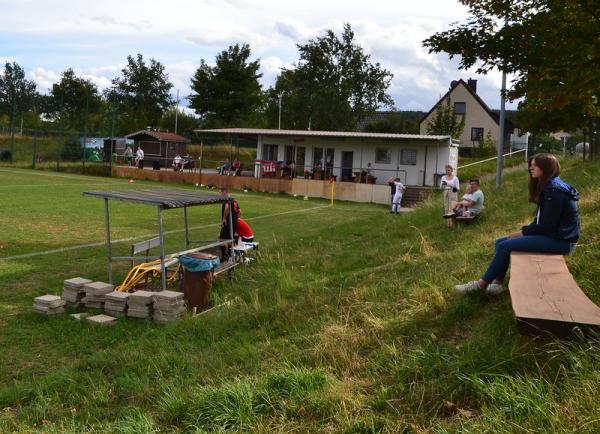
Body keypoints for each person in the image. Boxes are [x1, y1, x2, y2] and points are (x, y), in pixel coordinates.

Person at [455, 153, 580, 295]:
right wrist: (524, 231)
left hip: (562, 241)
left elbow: (547, 226)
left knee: (505, 245)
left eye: (534, 166)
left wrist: (522, 232)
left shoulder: (554, 190)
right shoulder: (550, 185)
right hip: (554, 236)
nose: (531, 169)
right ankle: (497, 284)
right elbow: (542, 220)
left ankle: (480, 285)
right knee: (500, 242)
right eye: (530, 166)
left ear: (546, 167)